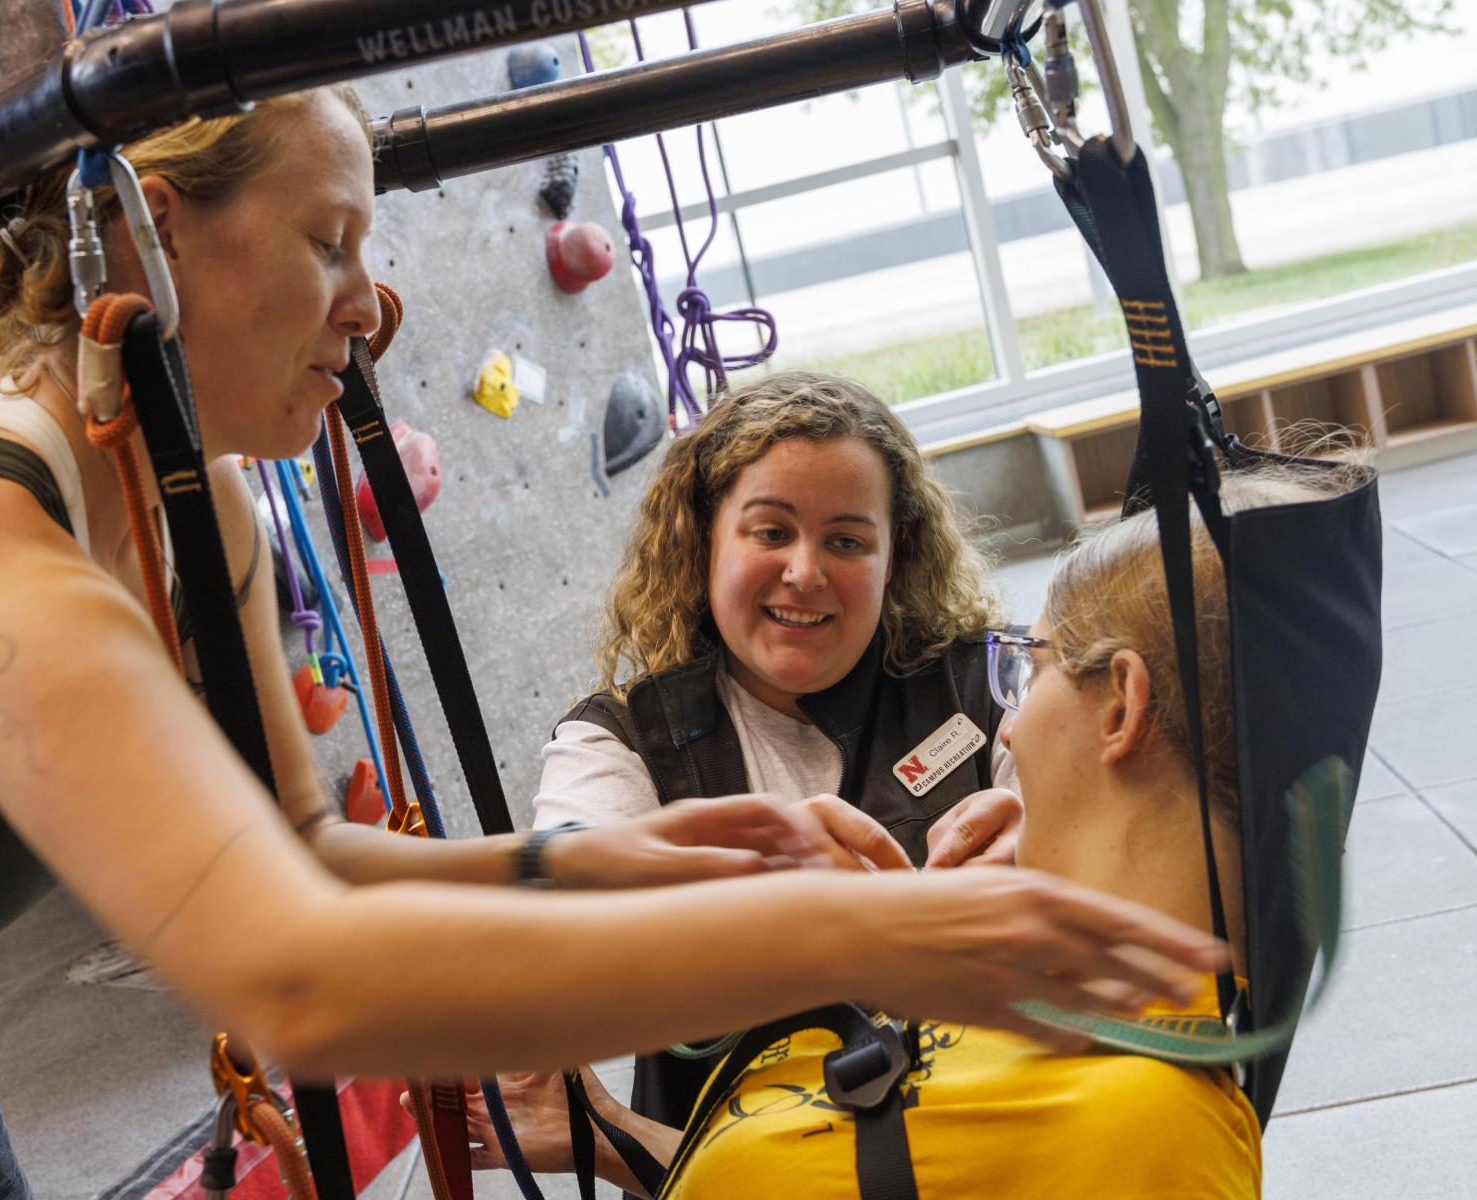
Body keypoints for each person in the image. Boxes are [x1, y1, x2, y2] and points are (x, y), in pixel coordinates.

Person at [0, 88, 1224, 1196]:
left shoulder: (197, 513)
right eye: (332, 241)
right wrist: (866, 941)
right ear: (143, 247)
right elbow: (295, 984)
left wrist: (603, 866)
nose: (375, 302)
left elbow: (308, 857)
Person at [478, 471, 1341, 1199]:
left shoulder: (1141, 1124)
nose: (1009, 728)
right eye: (769, 531)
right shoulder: (1076, 1037)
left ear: (1122, 706)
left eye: (1030, 671)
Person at [531, 371, 1032, 1133]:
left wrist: (1050, 845)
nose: (805, 571)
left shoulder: (985, 685)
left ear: (896, 557)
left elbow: (1099, 861)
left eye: (847, 540)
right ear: (704, 542)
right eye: (770, 531)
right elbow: (566, 916)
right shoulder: (619, 740)